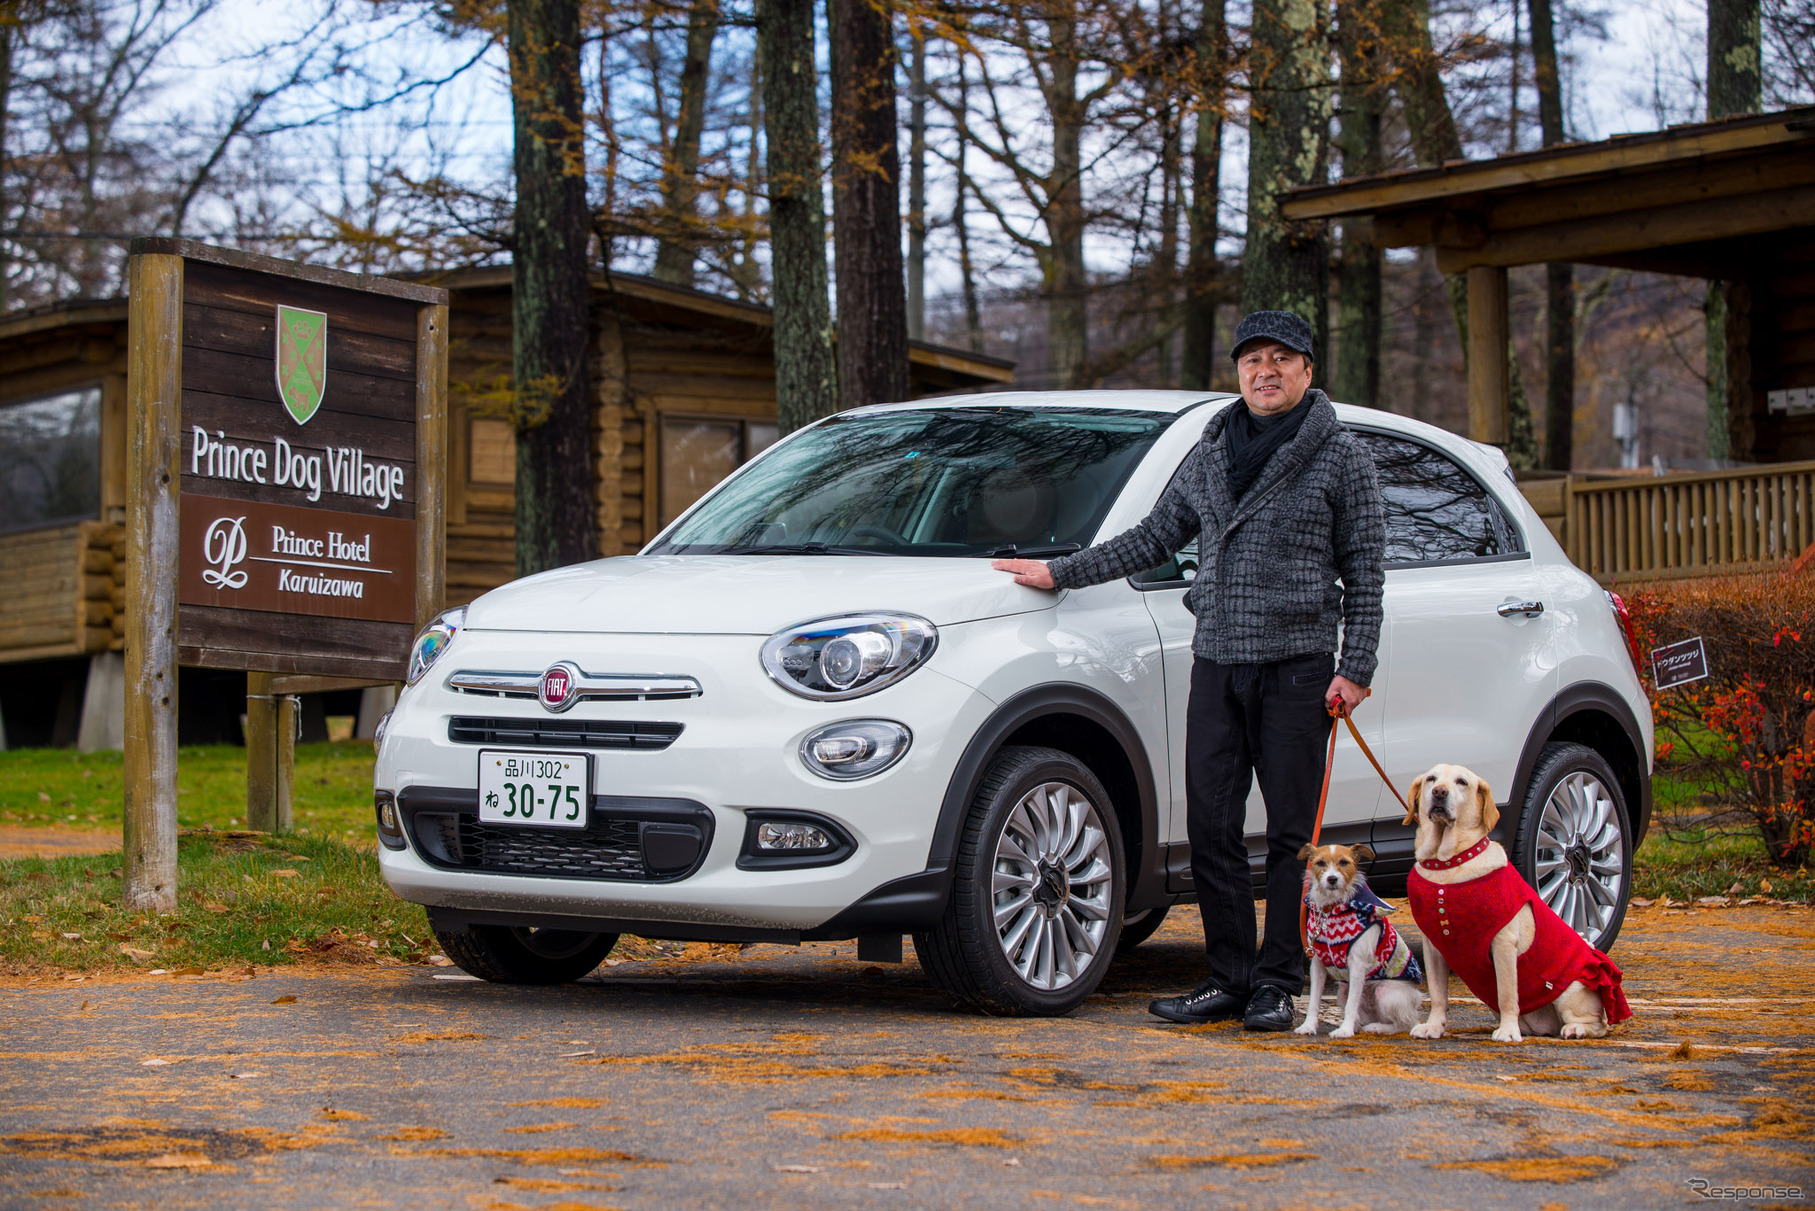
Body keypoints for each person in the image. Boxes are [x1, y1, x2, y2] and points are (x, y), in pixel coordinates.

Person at [991, 310, 1386, 1032]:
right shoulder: (1211, 449)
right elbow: (1152, 535)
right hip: (1218, 663)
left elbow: (1364, 570)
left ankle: (1276, 982)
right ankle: (1228, 976)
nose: (1263, 371)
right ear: (1236, 371)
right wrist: (1060, 570)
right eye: (1250, 359)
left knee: (1291, 834)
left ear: (1306, 368)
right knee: (1209, 825)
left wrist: (1353, 665)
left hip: (1297, 667)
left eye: (1279, 358)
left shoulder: (1340, 456)